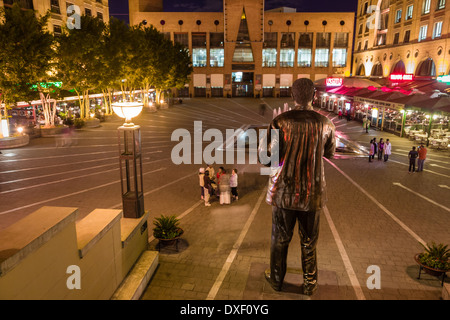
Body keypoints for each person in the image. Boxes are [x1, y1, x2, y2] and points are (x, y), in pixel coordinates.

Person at [258, 78, 335, 296]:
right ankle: (310, 284)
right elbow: (329, 153)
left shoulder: (280, 122)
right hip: (313, 194)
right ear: (314, 96)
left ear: (293, 96)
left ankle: (276, 279)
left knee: (280, 240)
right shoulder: (326, 124)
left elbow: (266, 158)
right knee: (309, 242)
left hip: (283, 192)